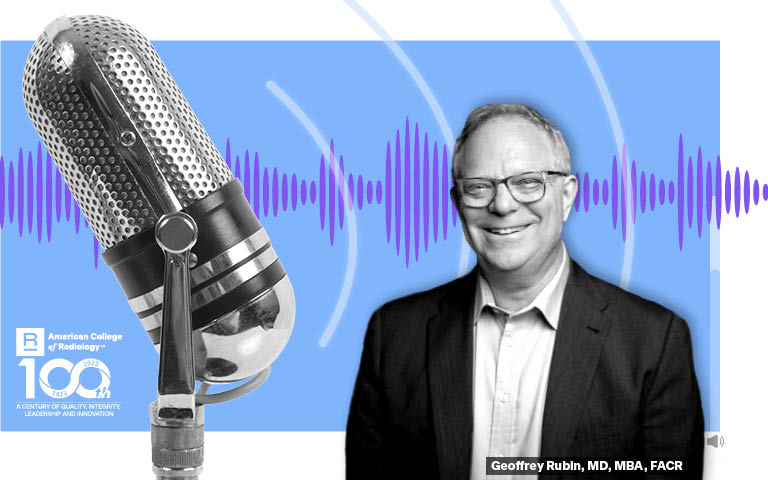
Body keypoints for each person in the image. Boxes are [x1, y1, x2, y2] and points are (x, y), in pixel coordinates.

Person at [345, 104, 704, 480]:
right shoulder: (394, 334)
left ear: (566, 196)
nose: (502, 205)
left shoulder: (653, 341)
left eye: (528, 182)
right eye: (479, 187)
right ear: (458, 203)